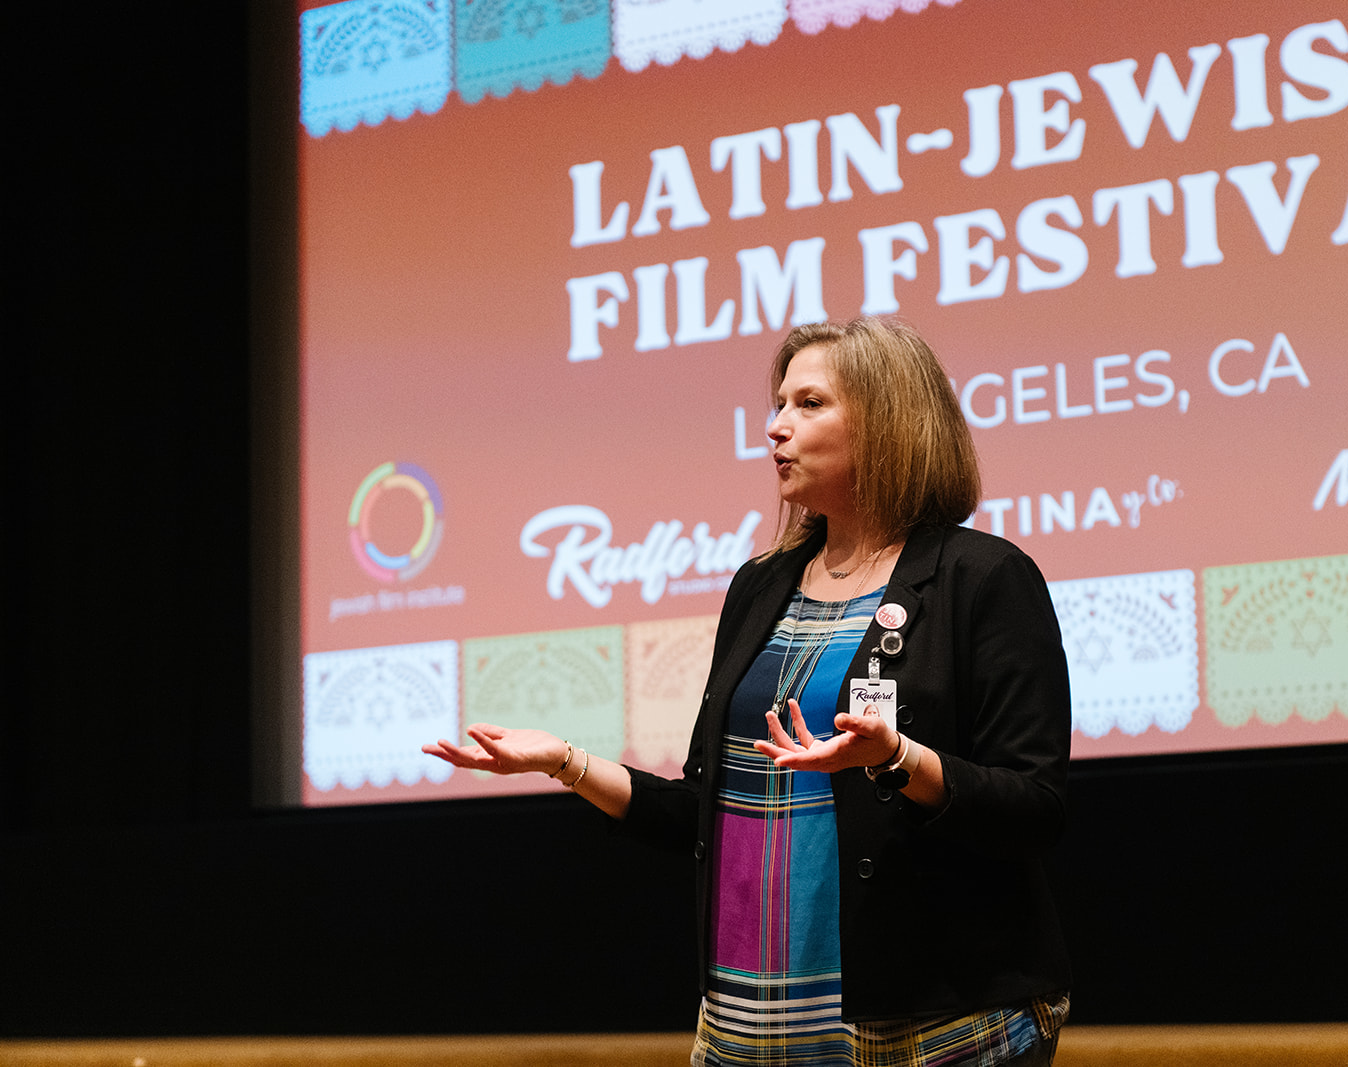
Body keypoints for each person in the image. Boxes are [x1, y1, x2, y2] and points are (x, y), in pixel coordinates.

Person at [425, 317, 1073, 1065]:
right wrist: (564, 761)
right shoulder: (761, 585)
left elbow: (1036, 809)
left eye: (808, 403)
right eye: (778, 403)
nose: (774, 427)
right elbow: (699, 807)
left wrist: (899, 758)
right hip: (750, 1028)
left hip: (927, 1029)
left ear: (886, 422)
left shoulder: (982, 577)